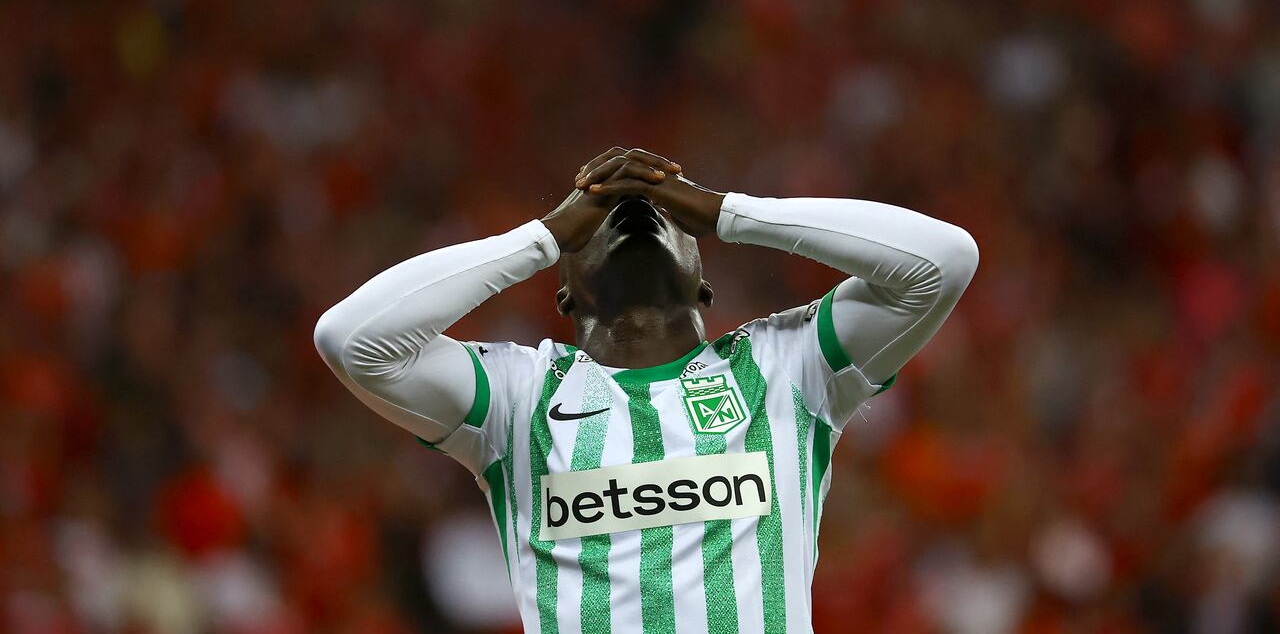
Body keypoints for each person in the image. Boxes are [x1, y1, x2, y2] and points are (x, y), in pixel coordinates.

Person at [314, 148, 979, 634]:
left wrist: (729, 212)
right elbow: (351, 339)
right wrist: (540, 238)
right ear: (565, 291)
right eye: (600, 218)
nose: (632, 214)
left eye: (665, 213)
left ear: (704, 281)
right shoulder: (517, 400)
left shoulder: (785, 367)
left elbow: (944, 262)